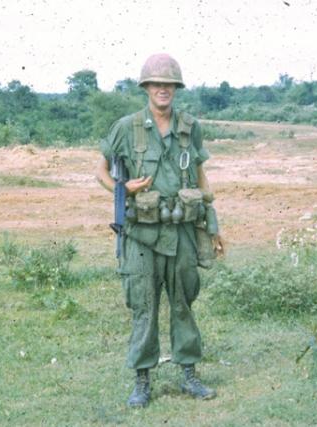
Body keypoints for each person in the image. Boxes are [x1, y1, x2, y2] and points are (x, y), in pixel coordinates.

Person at [96, 53, 225, 408]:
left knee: (183, 302)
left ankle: (189, 376)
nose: (162, 89)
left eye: (169, 84)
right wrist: (124, 189)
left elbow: (200, 175)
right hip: (141, 235)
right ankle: (142, 381)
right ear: (146, 88)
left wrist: (211, 223)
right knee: (144, 305)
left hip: (182, 230)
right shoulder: (127, 126)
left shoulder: (189, 126)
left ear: (176, 88)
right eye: (156, 83)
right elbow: (101, 171)